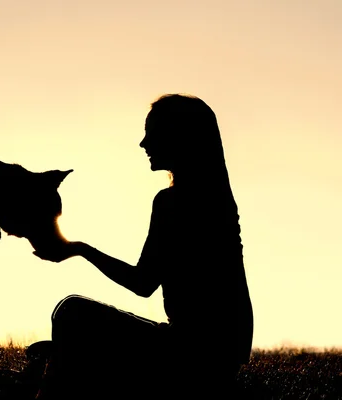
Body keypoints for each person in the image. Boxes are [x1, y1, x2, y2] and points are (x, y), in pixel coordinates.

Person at [29, 94, 254, 399]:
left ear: (178, 137)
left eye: (152, 132)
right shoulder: (219, 201)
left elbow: (143, 282)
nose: (143, 143)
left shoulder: (173, 202)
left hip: (189, 358)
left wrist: (80, 249)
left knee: (70, 311)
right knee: (59, 343)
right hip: (221, 363)